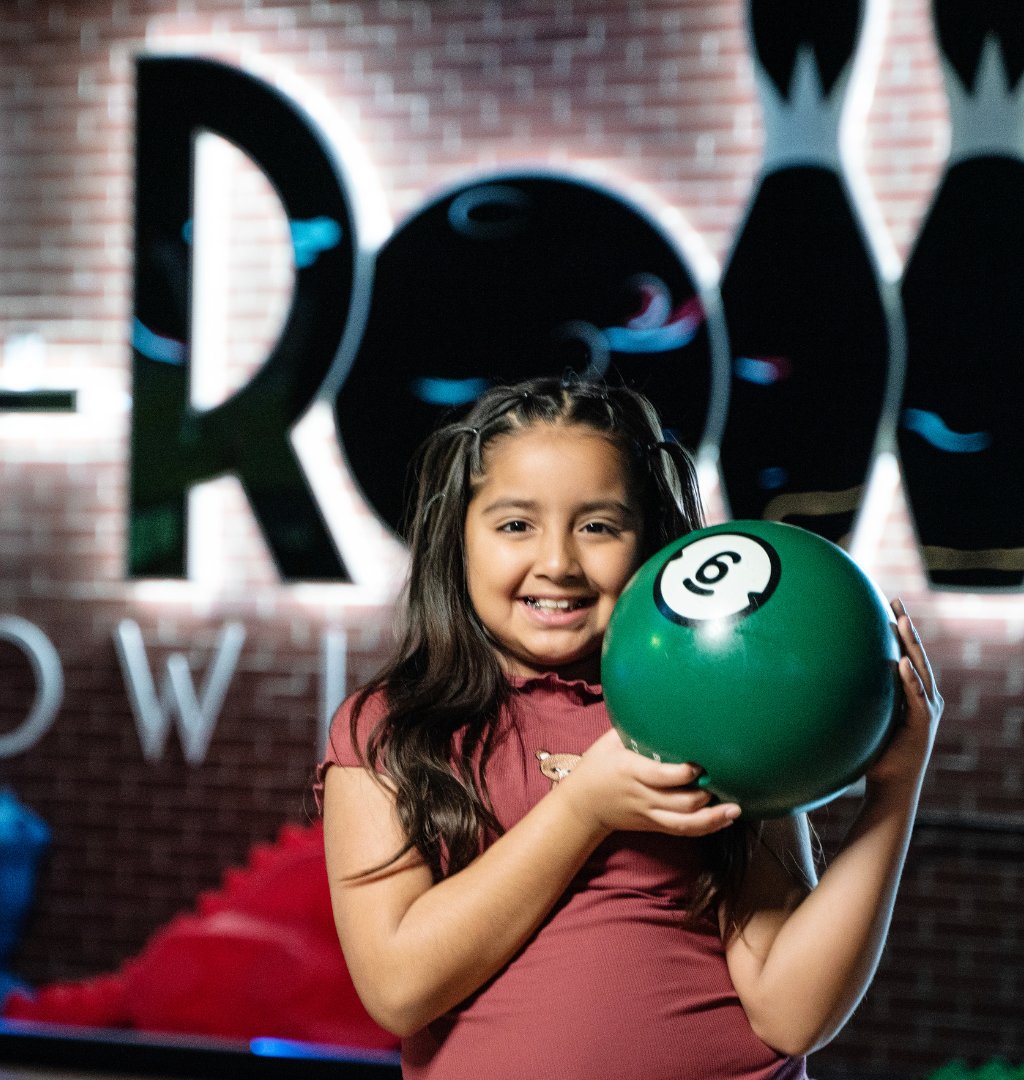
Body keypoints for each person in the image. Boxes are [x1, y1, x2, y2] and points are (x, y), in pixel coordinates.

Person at [316, 375, 943, 1080]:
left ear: (651, 542)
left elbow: (791, 1013)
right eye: (516, 524)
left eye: (598, 526)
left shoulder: (709, 703)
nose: (556, 563)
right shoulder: (389, 730)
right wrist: (583, 809)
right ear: (458, 539)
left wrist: (895, 787)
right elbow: (398, 989)